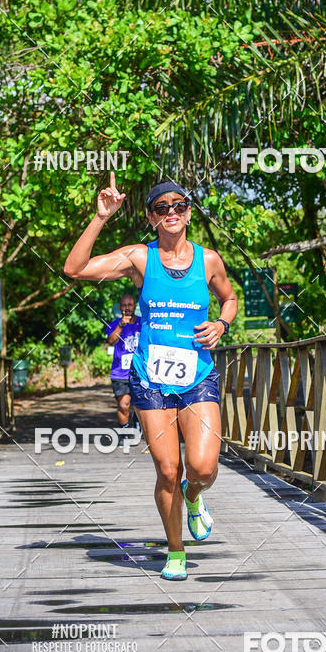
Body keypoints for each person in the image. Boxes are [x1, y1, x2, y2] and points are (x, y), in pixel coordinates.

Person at [64, 173, 238, 581]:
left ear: (189, 214)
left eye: (179, 206)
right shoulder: (139, 259)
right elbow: (76, 269)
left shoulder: (208, 259)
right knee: (167, 470)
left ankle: (194, 499)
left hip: (197, 375)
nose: (172, 212)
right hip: (150, 378)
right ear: (151, 218)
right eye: (162, 208)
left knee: (203, 468)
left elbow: (229, 298)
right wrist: (100, 217)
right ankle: (175, 552)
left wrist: (222, 325)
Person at [105, 293, 141, 441]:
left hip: (140, 372)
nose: (127, 308)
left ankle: (137, 422)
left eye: (130, 305)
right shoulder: (114, 324)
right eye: (124, 305)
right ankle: (124, 434)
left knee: (139, 405)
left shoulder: (142, 323)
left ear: (134, 306)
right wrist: (121, 325)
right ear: (120, 307)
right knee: (124, 405)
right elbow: (111, 341)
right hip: (120, 373)